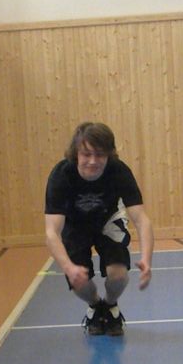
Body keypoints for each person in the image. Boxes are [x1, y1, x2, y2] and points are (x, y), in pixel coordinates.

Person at [45, 122, 154, 336]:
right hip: (75, 224)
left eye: (100, 155)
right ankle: (95, 306)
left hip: (108, 220)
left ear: (109, 155)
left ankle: (111, 307)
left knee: (119, 276)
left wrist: (147, 260)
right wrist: (68, 267)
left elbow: (142, 219)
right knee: (79, 282)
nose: (93, 161)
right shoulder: (61, 175)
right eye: (86, 154)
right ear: (76, 153)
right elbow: (51, 232)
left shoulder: (118, 171)